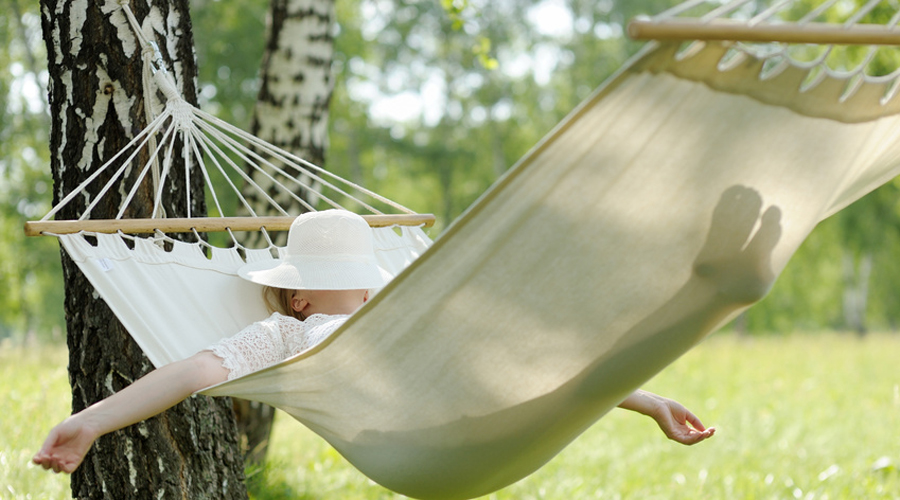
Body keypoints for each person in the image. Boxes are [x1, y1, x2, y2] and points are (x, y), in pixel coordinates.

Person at [32, 209, 713, 475]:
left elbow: (528, 367)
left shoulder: (402, 315)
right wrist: (91, 422)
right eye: (351, 280)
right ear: (299, 295)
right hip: (412, 439)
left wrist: (648, 400)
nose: (365, 289)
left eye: (366, 279)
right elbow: (191, 370)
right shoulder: (288, 333)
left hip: (473, 413)